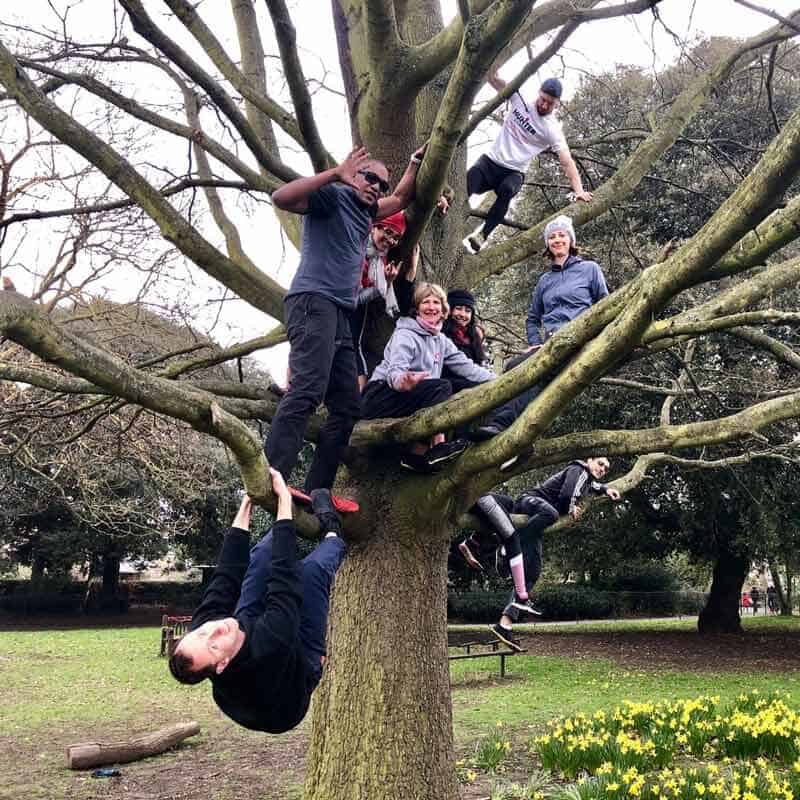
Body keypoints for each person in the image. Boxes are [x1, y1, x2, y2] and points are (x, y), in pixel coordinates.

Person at [265, 145, 426, 507]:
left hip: (339, 312)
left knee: (347, 405)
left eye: (381, 184)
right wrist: (335, 174)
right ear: (354, 175)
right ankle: (272, 476)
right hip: (312, 301)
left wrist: (414, 162)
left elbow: (401, 197)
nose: (377, 188)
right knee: (307, 391)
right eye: (370, 178)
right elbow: (282, 197)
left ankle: (315, 488)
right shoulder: (332, 198)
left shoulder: (368, 211)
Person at [168, 469, 346, 733]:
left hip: (249, 637)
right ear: (222, 665)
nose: (215, 630)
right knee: (311, 573)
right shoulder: (269, 646)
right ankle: (333, 531)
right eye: (214, 647)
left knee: (264, 552)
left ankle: (295, 512)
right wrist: (283, 502)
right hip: (289, 693)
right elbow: (285, 581)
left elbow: (227, 573)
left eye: (203, 632)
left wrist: (248, 502)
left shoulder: (208, 626)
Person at [470, 214, 608, 443]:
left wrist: (597, 339)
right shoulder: (544, 281)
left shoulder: (590, 269)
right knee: (513, 366)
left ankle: (501, 424)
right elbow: (533, 318)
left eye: (562, 235)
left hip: (578, 337)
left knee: (538, 375)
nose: (557, 240)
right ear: (547, 244)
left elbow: (605, 304)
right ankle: (497, 426)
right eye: (552, 237)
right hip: (551, 343)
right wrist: (535, 342)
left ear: (571, 240)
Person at [460, 457, 621, 652]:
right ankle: (505, 545)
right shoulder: (578, 469)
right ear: (590, 460)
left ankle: (504, 624)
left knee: (534, 572)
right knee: (552, 514)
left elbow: (594, 485)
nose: (603, 469)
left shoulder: (589, 480)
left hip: (536, 523)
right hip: (530, 501)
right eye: (600, 464)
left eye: (606, 468)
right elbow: (566, 495)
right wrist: (571, 508)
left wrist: (606, 489)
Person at [361, 282, 495, 473]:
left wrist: (498, 380)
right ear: (418, 308)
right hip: (379, 396)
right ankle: (437, 446)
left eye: (436, 303)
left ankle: (415, 457)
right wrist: (404, 381)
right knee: (442, 386)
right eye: (426, 302)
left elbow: (467, 367)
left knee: (451, 387)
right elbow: (395, 372)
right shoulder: (405, 334)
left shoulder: (440, 340)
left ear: (443, 310)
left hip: (406, 398)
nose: (431, 307)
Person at [466, 73, 592, 253]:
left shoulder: (552, 129)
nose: (544, 105)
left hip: (514, 172)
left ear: (557, 104)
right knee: (470, 180)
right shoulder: (520, 98)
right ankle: (446, 207)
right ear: (538, 93)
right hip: (491, 161)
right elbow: (494, 80)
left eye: (550, 104)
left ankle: (483, 235)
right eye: (543, 99)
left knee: (507, 190)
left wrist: (579, 191)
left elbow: (566, 161)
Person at [352, 211, 418, 387]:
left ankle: (359, 399)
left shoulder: (381, 258)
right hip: (344, 307)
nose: (391, 240)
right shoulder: (357, 250)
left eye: (396, 237)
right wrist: (382, 287)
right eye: (388, 232)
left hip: (358, 314)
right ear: (375, 227)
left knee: (352, 349)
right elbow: (353, 298)